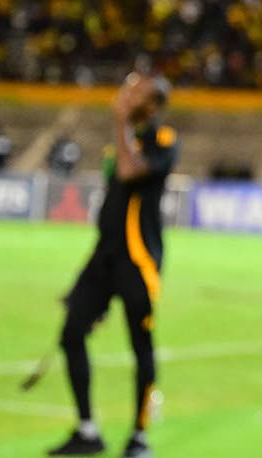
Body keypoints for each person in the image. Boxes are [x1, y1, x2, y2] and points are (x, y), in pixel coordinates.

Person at [47, 73, 177, 458]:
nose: (127, 94)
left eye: (137, 91)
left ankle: (139, 436)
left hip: (138, 261)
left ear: (153, 104)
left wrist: (120, 121)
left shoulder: (163, 140)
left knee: (141, 347)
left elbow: (128, 173)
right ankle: (88, 429)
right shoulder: (121, 141)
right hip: (104, 258)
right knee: (71, 333)